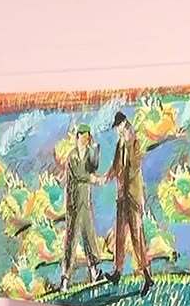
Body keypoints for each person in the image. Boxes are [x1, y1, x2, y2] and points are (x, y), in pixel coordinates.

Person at [107, 112, 153, 294]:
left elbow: (134, 167)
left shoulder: (134, 141)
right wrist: (106, 177)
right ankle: (117, 271)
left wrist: (126, 142)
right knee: (119, 235)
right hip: (122, 196)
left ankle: (147, 276)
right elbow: (116, 166)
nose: (117, 130)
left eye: (118, 127)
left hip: (133, 196)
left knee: (137, 236)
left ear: (124, 124)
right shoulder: (120, 143)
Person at [60, 124, 103, 291]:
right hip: (74, 204)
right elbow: (80, 175)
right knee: (71, 240)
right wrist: (93, 179)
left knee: (89, 236)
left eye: (88, 136)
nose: (86, 139)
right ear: (78, 136)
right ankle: (65, 278)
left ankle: (94, 272)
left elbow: (94, 166)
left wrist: (95, 149)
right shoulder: (72, 156)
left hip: (85, 202)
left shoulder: (88, 153)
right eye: (84, 136)